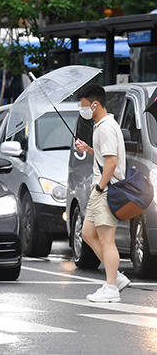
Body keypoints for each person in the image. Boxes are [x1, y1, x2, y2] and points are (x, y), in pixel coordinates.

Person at [75, 84, 130, 303]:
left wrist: (99, 188)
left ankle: (111, 288)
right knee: (88, 233)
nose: (83, 110)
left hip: (106, 190)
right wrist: (89, 149)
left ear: (95, 104)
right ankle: (114, 277)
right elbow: (104, 157)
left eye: (84, 105)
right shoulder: (101, 126)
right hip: (102, 188)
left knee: (107, 240)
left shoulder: (106, 127)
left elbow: (112, 162)